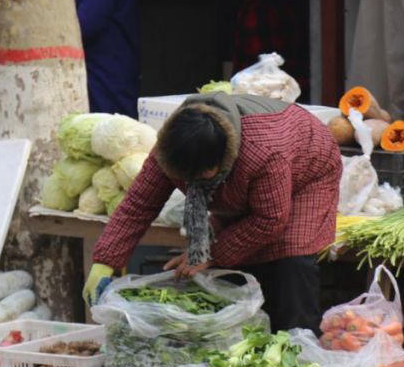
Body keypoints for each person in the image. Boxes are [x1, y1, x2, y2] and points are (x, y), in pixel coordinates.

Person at [82, 93, 342, 333]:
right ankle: (251, 334)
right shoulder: (172, 146)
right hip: (253, 176)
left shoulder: (262, 153)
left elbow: (269, 220)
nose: (190, 183)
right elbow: (140, 202)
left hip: (309, 170)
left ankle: (298, 344)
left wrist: (210, 254)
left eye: (199, 178)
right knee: (240, 256)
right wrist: (105, 261)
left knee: (290, 259)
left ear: (220, 163)